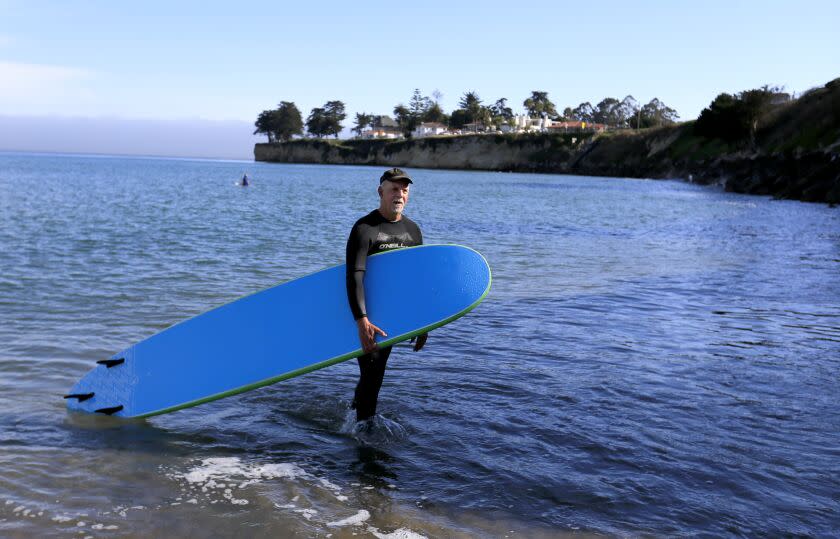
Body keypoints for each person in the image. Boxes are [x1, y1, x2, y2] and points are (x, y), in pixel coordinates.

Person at [345, 167, 427, 423]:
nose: (399, 194)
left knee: (375, 372)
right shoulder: (365, 228)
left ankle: (354, 416)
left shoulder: (413, 231)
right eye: (394, 189)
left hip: (393, 317)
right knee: (373, 372)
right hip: (367, 316)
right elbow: (355, 275)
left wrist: (424, 322)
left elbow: (417, 280)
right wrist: (362, 321)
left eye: (404, 190)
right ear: (381, 192)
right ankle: (363, 430)